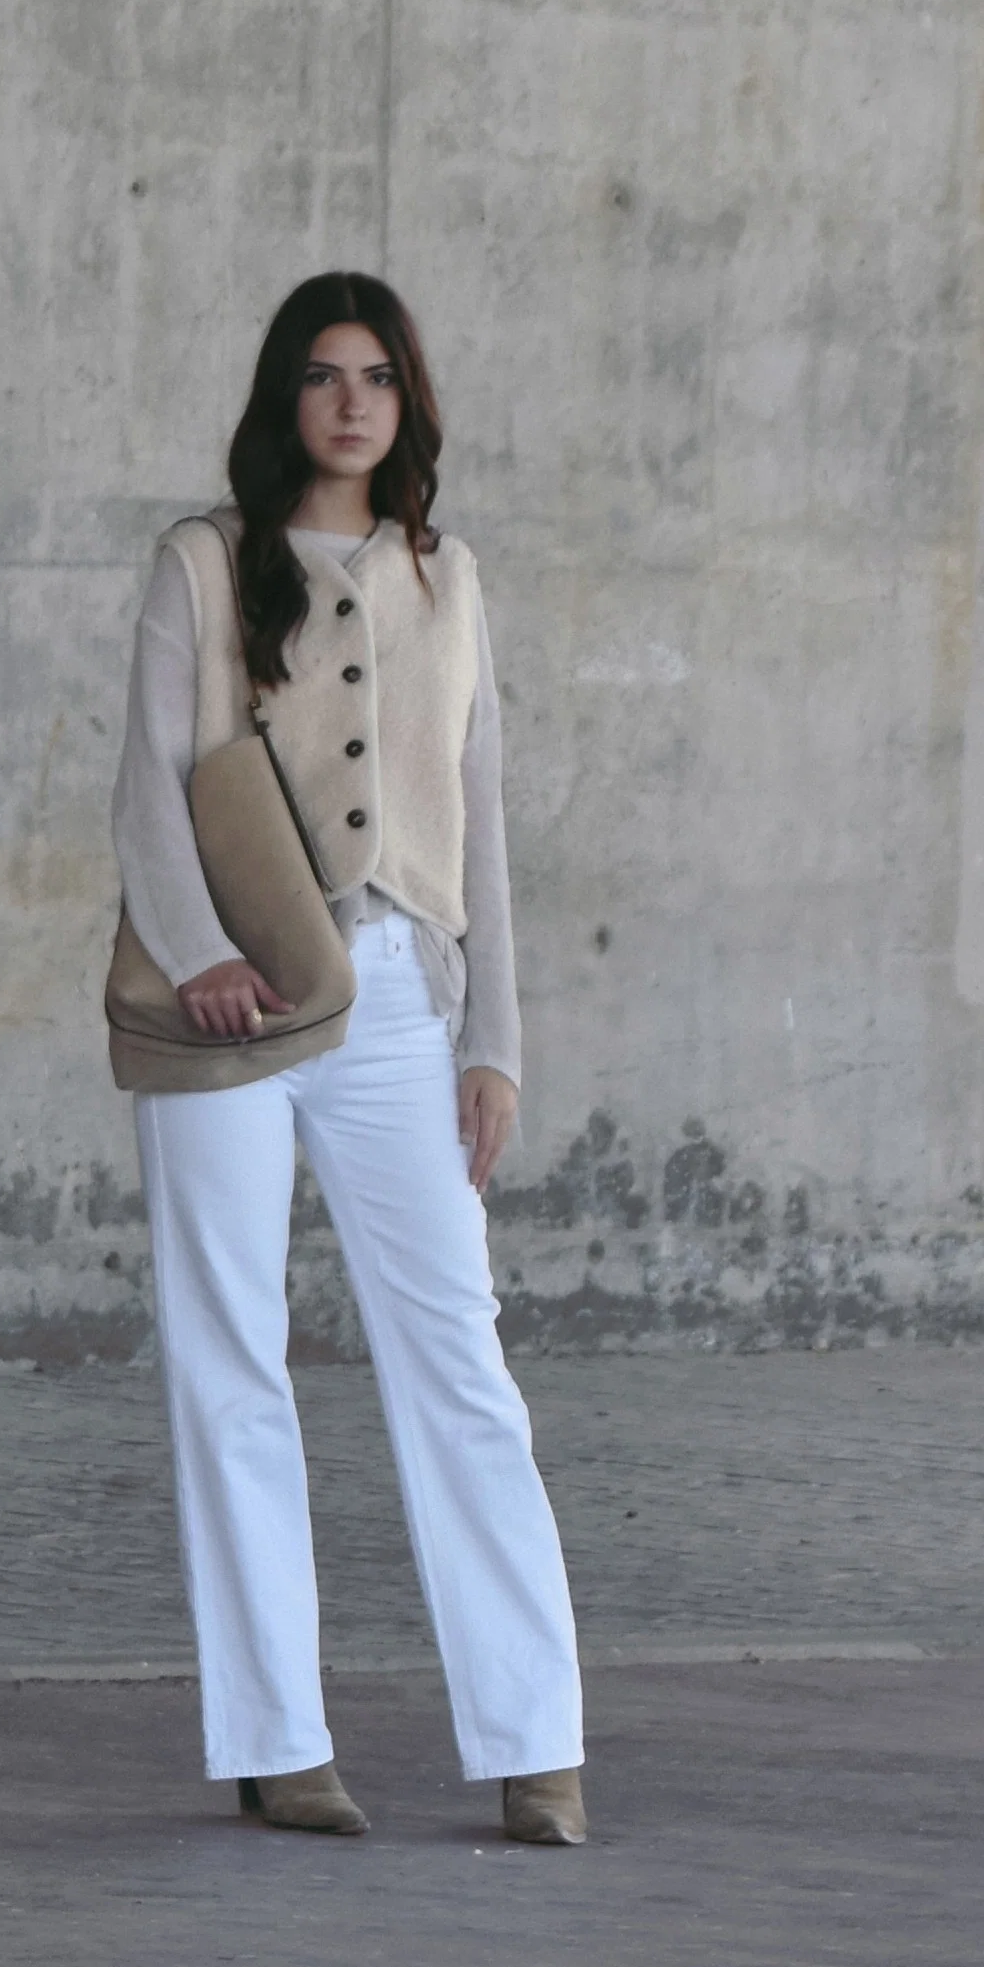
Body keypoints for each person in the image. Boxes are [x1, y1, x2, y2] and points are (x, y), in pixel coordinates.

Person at [111, 271, 587, 1849]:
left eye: (376, 373)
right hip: (230, 1005)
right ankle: (275, 1736)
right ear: (283, 397)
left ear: (407, 400)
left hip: (393, 998)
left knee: (460, 1366)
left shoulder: (447, 578)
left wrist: (492, 1037)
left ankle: (534, 1740)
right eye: (320, 374)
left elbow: (485, 818)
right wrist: (198, 960)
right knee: (229, 1365)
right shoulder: (201, 563)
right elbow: (150, 790)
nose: (349, 400)